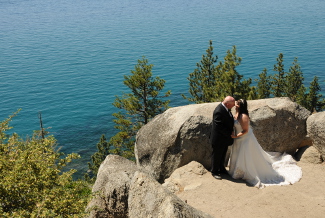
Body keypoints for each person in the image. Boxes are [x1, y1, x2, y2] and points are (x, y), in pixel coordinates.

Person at [228, 99, 302, 188]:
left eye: (236, 103)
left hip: (245, 139)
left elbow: (245, 130)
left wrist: (235, 136)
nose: (234, 103)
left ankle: (246, 172)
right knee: (239, 153)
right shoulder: (236, 114)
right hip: (238, 138)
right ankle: (238, 171)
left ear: (239, 106)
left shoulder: (243, 116)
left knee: (246, 155)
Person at [210, 96, 236, 180]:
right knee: (216, 155)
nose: (234, 106)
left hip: (224, 138)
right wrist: (229, 133)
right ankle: (214, 171)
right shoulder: (219, 110)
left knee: (223, 154)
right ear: (227, 104)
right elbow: (219, 126)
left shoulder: (225, 109)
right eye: (232, 104)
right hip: (218, 139)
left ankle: (221, 169)